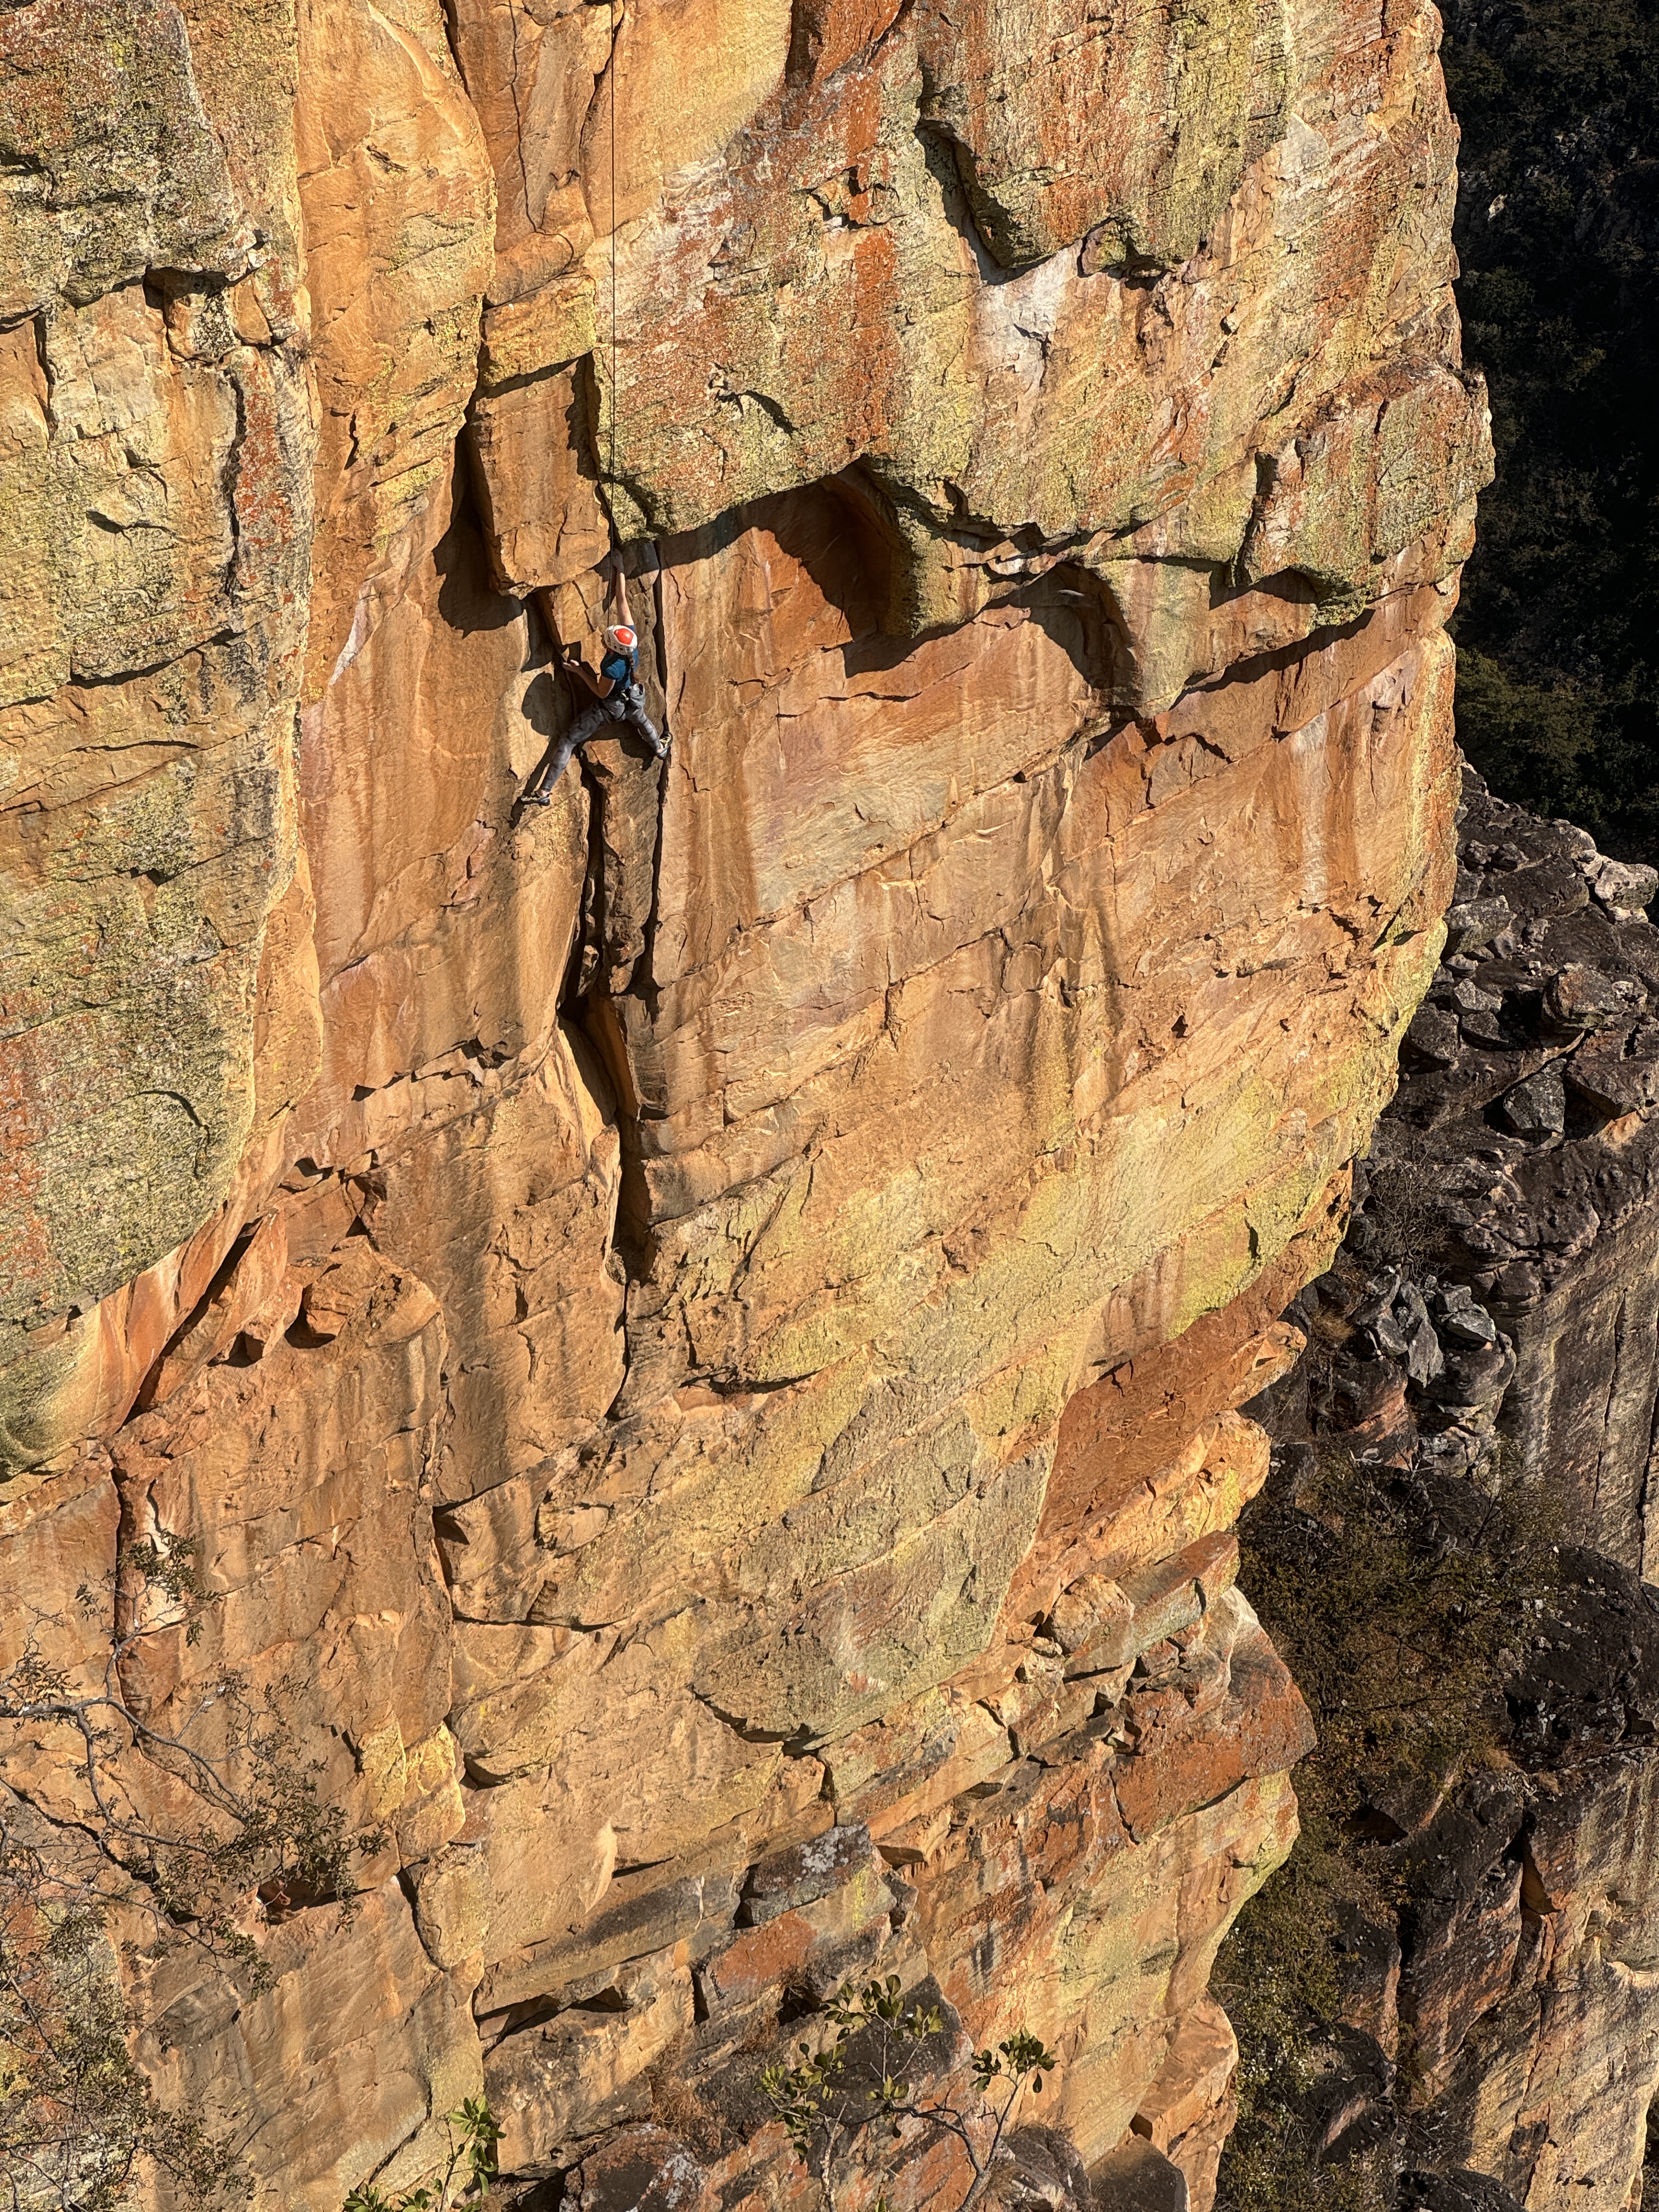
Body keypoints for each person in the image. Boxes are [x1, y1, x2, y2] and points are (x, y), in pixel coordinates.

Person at [522, 565, 668, 805]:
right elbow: (622, 602)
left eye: (606, 638)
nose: (604, 636)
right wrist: (620, 570)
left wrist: (580, 671)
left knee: (569, 740)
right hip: (633, 698)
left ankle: (544, 793)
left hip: (611, 708)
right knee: (641, 719)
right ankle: (659, 749)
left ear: (611, 647)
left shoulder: (613, 668)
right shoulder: (630, 643)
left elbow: (601, 692)